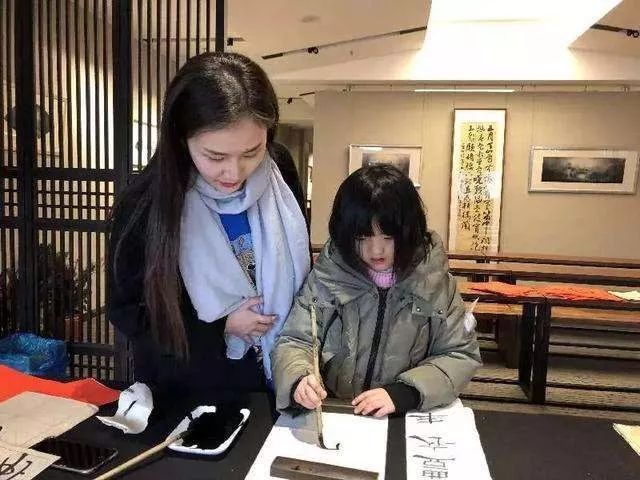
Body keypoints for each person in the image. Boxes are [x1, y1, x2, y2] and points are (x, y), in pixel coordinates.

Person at [108, 52, 310, 404]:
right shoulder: (146, 203)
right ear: (181, 138)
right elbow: (126, 311)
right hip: (189, 390)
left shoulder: (280, 169)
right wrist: (221, 326)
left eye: (252, 152)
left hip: (274, 378)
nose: (235, 172)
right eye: (215, 157)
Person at [272, 164, 481, 417]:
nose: (376, 251)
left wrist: (405, 392)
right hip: (336, 413)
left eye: (388, 237)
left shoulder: (435, 283)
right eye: (362, 238)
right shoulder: (327, 278)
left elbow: (459, 354)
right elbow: (296, 340)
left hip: (403, 416)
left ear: (409, 231)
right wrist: (299, 379)